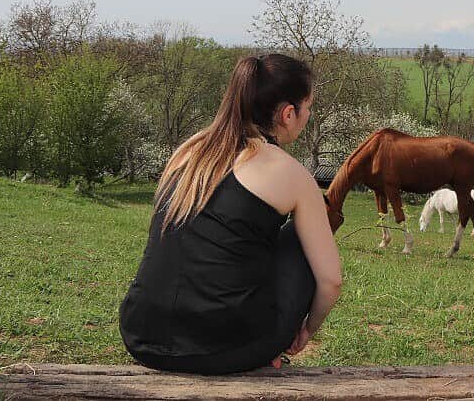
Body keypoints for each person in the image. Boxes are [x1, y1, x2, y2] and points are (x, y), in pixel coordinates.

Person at [120, 54, 342, 375]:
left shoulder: (188, 152)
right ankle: (258, 343)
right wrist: (305, 330)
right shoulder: (290, 173)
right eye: (308, 107)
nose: (309, 115)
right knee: (298, 236)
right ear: (288, 114)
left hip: (142, 336)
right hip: (224, 349)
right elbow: (331, 281)